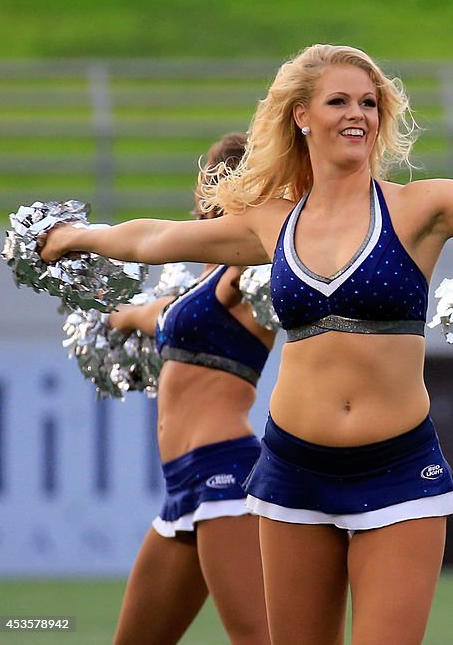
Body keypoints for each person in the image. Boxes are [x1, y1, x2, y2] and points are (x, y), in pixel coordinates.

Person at [40, 44, 453, 645]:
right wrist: (77, 236)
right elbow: (156, 239)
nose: (358, 114)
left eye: (369, 102)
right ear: (300, 116)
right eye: (339, 101)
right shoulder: (273, 223)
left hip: (397, 469)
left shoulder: (419, 208)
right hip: (292, 469)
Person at [105, 133, 274, 644]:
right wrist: (125, 316)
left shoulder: (249, 264)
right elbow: (164, 313)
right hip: (183, 484)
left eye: (219, 184)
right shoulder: (205, 278)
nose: (203, 197)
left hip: (223, 473)